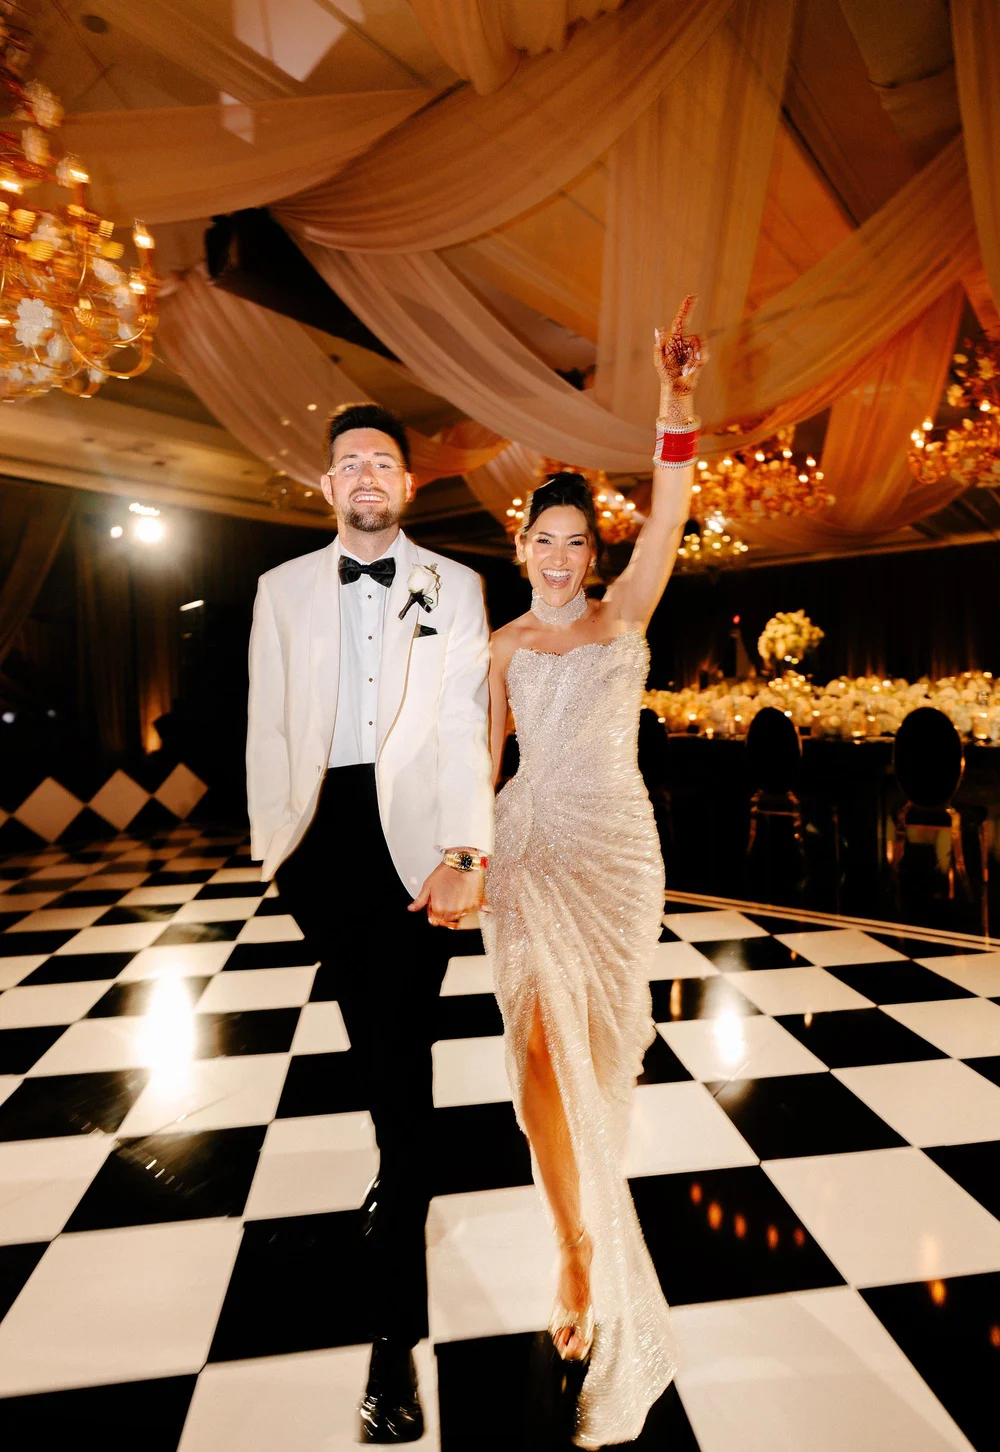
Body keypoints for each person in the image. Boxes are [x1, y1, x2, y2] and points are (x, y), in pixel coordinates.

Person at [246, 403, 494, 1444]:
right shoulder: (281, 588)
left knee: (402, 1061)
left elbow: (464, 721)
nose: (363, 475)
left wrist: (465, 853)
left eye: (381, 462)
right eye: (347, 462)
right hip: (322, 845)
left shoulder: (455, 584)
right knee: (382, 1049)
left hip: (416, 847)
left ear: (407, 484)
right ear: (326, 485)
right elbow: (267, 720)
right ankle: (401, 1171)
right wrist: (277, 850)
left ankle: (395, 1345)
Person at [483, 300, 703, 1447]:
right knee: (533, 1054)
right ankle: (574, 1250)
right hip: (526, 852)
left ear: (592, 555)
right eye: (545, 540)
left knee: (595, 1060)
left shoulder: (624, 618)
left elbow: (670, 509)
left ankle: (581, 1233)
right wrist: (461, 862)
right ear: (521, 548)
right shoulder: (502, 649)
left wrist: (673, 406)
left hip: (613, 857)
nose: (561, 556)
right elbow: (476, 773)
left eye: (576, 541)